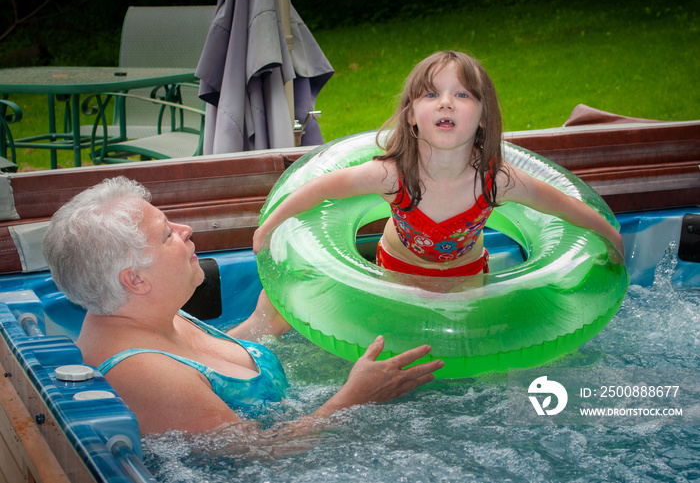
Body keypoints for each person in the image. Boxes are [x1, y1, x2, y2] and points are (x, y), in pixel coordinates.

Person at [43, 176, 443, 438]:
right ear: (136, 279)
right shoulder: (141, 372)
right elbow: (260, 457)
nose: (186, 231)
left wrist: (262, 322)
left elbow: (199, 370)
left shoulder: (144, 313)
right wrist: (354, 398)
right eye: (167, 234)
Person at [253, 51, 624, 276]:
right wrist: (267, 227)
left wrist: (611, 236)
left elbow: (562, 205)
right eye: (432, 94)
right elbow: (319, 188)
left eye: (462, 94)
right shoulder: (392, 174)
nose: (446, 102)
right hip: (399, 271)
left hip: (466, 274)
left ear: (482, 117)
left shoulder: (496, 180)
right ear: (411, 115)